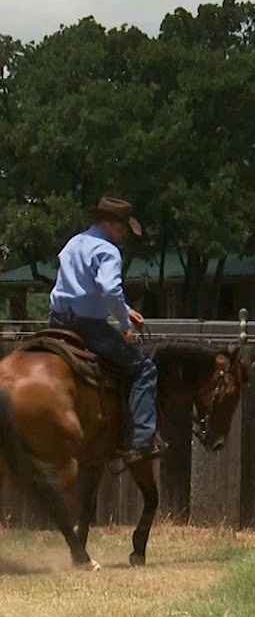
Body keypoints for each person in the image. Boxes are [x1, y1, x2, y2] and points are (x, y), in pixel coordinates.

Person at [49, 195, 163, 463]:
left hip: (57, 323)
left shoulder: (73, 243)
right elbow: (109, 289)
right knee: (145, 369)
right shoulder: (107, 250)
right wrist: (125, 323)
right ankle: (141, 441)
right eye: (122, 228)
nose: (123, 234)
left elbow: (83, 286)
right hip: (89, 328)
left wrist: (125, 308)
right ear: (109, 223)